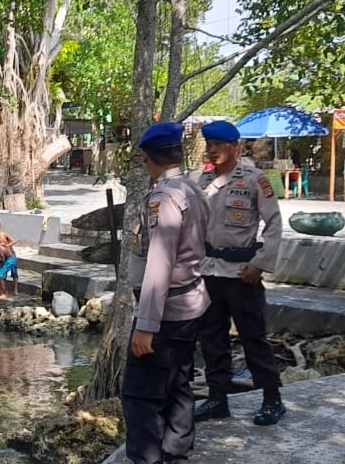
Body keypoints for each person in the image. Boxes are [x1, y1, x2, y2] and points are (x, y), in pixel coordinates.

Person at [122, 122, 211, 464]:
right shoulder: (192, 189)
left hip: (166, 313)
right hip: (190, 304)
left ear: (146, 156)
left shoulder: (164, 197)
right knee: (178, 383)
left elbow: (159, 262)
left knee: (141, 394)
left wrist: (146, 326)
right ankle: (177, 454)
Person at [195, 120, 285, 426]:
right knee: (211, 337)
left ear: (235, 147)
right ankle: (217, 398)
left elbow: (274, 224)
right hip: (209, 271)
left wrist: (260, 263)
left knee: (253, 336)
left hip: (241, 273)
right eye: (209, 145)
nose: (212, 150)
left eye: (218, 145)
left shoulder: (254, 179)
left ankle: (272, 398)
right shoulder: (204, 180)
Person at [0, 219, 19, 295]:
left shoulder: (4, 234)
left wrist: (7, 245)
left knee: (14, 272)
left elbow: (14, 241)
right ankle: (2, 290)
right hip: (4, 257)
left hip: (11, 255)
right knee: (2, 273)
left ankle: (15, 290)